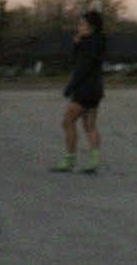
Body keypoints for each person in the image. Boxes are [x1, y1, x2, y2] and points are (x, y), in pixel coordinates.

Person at [51, 9, 106, 174]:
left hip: (84, 89)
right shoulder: (99, 42)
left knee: (67, 122)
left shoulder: (87, 44)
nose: (79, 27)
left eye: (82, 24)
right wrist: (77, 43)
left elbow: (81, 67)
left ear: (91, 27)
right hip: (96, 89)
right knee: (90, 125)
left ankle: (69, 160)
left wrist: (70, 87)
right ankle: (94, 160)